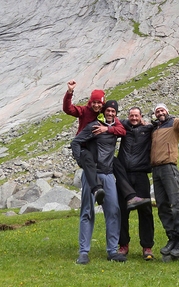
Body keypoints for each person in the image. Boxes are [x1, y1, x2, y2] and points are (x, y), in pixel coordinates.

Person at [63, 80, 150, 209]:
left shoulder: (105, 115)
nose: (97, 105)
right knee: (89, 162)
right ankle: (97, 189)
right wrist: (70, 92)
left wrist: (107, 129)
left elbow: (121, 130)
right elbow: (68, 109)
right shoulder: (84, 111)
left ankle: (130, 196)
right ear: (90, 102)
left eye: (99, 103)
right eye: (94, 102)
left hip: (98, 149)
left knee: (116, 163)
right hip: (85, 147)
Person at [71, 100, 127, 264]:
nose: (110, 113)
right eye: (108, 110)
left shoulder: (115, 127)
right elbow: (75, 142)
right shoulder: (93, 126)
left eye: (113, 111)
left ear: (116, 114)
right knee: (87, 212)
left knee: (114, 211)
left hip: (108, 174)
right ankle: (83, 252)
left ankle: (112, 251)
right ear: (104, 111)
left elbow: (123, 130)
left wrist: (108, 129)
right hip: (92, 174)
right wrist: (81, 162)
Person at [151, 91, 179, 259]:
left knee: (175, 203)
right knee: (162, 205)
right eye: (157, 111)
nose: (160, 113)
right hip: (156, 169)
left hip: (169, 167)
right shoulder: (155, 128)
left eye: (162, 110)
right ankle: (172, 237)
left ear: (167, 111)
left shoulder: (174, 124)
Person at [116, 107, 155, 260]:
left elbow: (161, 123)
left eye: (136, 116)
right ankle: (123, 245)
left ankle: (147, 247)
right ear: (128, 116)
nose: (134, 118)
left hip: (141, 175)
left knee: (145, 211)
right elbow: (112, 119)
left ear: (141, 117)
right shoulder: (123, 126)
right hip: (124, 176)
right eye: (131, 115)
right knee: (122, 211)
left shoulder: (148, 128)